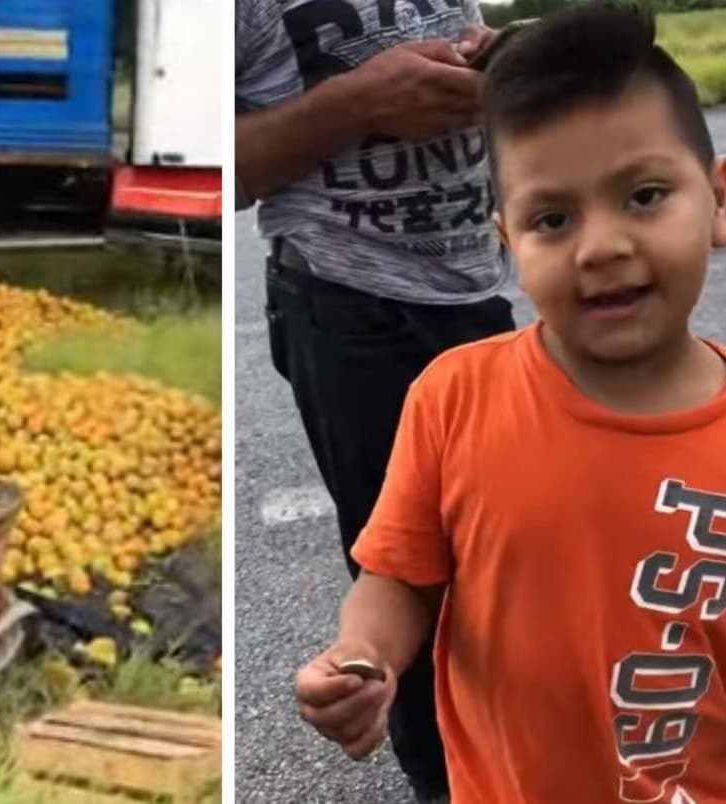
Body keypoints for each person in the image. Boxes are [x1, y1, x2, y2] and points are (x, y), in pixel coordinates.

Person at [295, 4, 726, 802]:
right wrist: (362, 654)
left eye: (645, 195)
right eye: (553, 218)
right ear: (507, 239)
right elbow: (400, 577)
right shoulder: (453, 396)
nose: (602, 246)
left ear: (718, 200)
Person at [236, 2, 516, 799]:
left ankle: (528, 750)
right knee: (406, 563)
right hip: (351, 303)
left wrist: (492, 66)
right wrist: (357, 101)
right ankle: (447, 781)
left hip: (474, 287)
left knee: (510, 549)